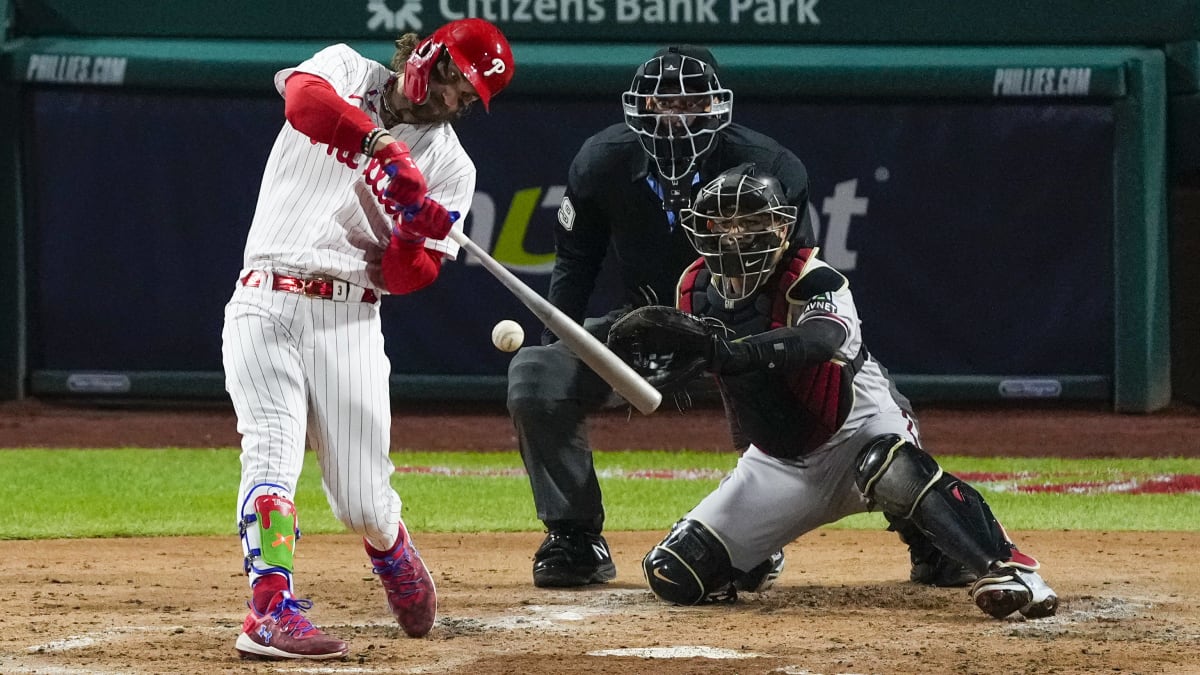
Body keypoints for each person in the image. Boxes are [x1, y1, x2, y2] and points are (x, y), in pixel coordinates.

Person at [606, 164, 1059, 620]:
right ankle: (758, 551)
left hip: (859, 430)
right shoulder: (695, 288)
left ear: (783, 228)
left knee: (892, 467)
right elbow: (737, 393)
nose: (735, 236)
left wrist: (726, 350)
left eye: (751, 222)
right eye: (723, 224)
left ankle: (1006, 568)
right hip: (780, 461)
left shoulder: (815, 278)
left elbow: (819, 340)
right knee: (675, 573)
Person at [221, 19, 514, 660]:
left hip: (349, 317)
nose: (450, 102)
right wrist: (381, 149)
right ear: (427, 54)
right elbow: (302, 102)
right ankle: (268, 609)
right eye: (452, 82)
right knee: (270, 449)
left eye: (467, 100)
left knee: (360, 499)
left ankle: (389, 543)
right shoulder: (348, 71)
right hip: (264, 295)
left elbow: (408, 276)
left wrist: (413, 228)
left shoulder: (451, 165)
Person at [505, 44, 814, 589]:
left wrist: (772, 352)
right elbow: (576, 263)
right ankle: (575, 537)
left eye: (690, 102)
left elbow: (799, 274)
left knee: (861, 399)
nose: (674, 115)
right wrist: (563, 341)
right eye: (661, 102)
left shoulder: (771, 167)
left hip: (743, 327)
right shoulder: (602, 160)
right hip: (644, 323)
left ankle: (760, 534)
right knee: (536, 373)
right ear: (639, 107)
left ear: (717, 107)